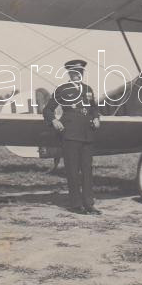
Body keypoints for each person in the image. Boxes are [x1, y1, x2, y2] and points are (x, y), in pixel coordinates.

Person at [42, 59, 101, 215]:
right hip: (70, 134)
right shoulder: (62, 89)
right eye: (75, 72)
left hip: (87, 134)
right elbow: (47, 110)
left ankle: (89, 204)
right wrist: (54, 121)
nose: (78, 74)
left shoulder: (88, 89)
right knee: (73, 170)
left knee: (87, 170)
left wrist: (96, 118)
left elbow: (94, 108)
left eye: (80, 72)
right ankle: (75, 205)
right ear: (69, 73)